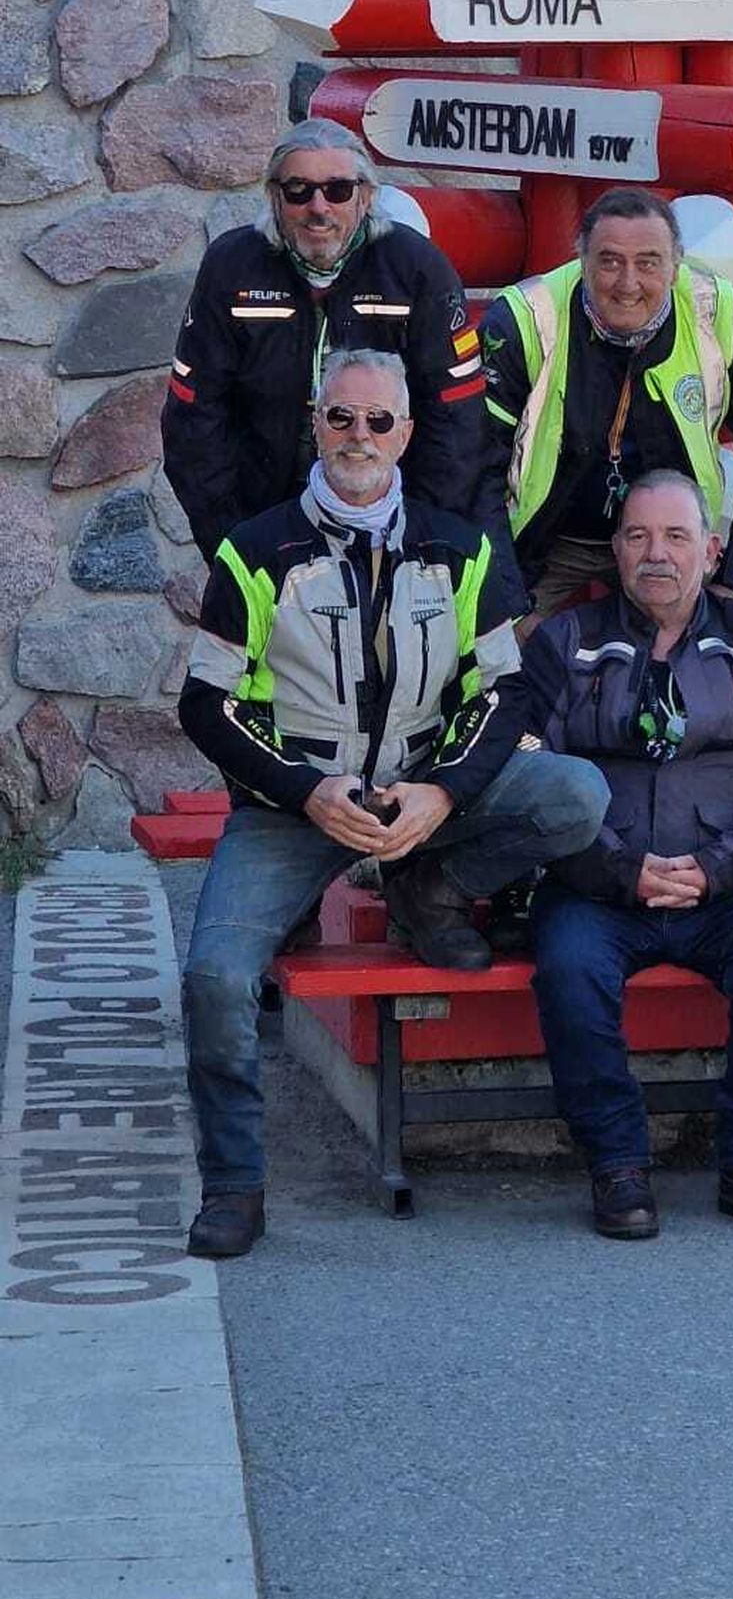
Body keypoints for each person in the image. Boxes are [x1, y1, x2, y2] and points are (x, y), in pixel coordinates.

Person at [177, 349, 608, 1259]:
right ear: (315, 425)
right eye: (340, 419)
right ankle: (234, 1185)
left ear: (406, 434)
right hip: (294, 804)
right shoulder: (254, 551)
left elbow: (509, 694)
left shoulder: (463, 547)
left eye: (378, 422)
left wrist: (442, 793)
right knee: (215, 980)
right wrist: (305, 788)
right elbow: (207, 703)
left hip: (425, 794)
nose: (358, 438)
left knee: (576, 793)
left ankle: (428, 885)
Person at [520, 468, 733, 1240]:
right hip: (598, 884)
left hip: (732, 885)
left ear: (713, 550)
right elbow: (528, 774)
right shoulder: (564, 642)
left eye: (676, 536)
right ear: (617, 552)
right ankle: (617, 1166)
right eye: (638, 536)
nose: (656, 554)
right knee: (568, 968)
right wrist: (620, 868)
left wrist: (721, 868)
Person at [162, 116, 489, 565]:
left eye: (338, 190)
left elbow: (457, 422)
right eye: (299, 191)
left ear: (366, 196)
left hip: (391, 528)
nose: (319, 207)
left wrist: (416, 545)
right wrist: (230, 543)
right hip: (261, 524)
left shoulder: (417, 268)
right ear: (274, 197)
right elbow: (193, 418)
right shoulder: (230, 266)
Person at [479, 187, 733, 620]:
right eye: (609, 261)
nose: (628, 283)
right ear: (582, 261)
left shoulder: (724, 313)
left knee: (704, 663)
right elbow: (475, 468)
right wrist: (507, 608)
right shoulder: (524, 317)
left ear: (675, 267)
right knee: (492, 661)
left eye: (648, 263)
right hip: (549, 542)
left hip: (668, 541)